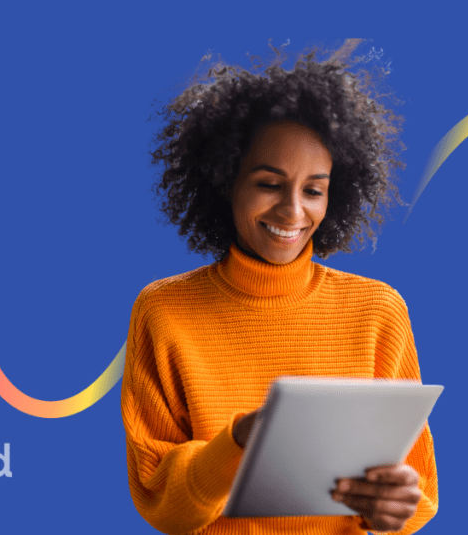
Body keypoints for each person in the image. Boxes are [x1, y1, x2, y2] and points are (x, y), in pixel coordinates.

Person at [121, 40, 437, 535]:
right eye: (269, 184)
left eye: (314, 190)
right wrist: (241, 440)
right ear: (225, 180)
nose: (293, 211)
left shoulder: (378, 310)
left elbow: (418, 491)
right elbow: (162, 502)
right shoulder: (164, 311)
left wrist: (396, 508)